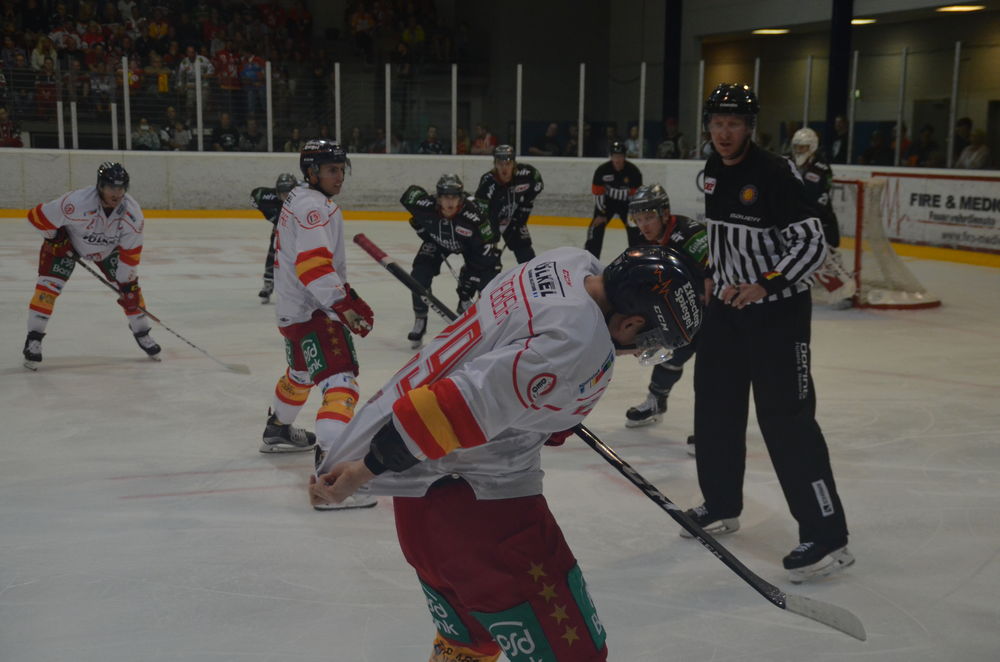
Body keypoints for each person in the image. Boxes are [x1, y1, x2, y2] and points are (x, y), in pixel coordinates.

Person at [309, 244, 704, 662]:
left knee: (469, 642)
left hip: (422, 506)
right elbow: (447, 409)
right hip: (481, 514)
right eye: (646, 341)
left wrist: (553, 407)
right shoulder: (576, 345)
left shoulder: (567, 261)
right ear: (631, 322)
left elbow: (507, 377)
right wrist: (360, 475)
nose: (638, 350)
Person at [690, 83, 853, 584]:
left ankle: (827, 536)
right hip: (727, 311)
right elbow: (721, 236)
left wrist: (766, 284)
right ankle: (721, 504)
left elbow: (813, 244)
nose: (724, 133)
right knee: (714, 407)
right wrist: (711, 273)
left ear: (750, 128)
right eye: (717, 123)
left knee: (787, 422)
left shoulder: (775, 173)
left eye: (734, 124)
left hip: (777, 317)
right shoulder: (713, 169)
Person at [260, 140, 375, 461]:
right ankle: (331, 460)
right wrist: (345, 306)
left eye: (341, 169)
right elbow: (313, 266)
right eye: (331, 170)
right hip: (315, 311)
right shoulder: (314, 208)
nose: (339, 177)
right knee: (341, 382)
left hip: (292, 311)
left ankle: (278, 429)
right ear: (312, 172)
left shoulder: (298, 196)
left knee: (301, 373)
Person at [22, 162, 161, 369]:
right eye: (111, 187)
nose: (117, 193)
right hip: (67, 245)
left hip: (107, 251)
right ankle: (33, 338)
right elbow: (36, 216)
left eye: (121, 188)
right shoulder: (76, 203)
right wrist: (54, 237)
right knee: (48, 288)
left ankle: (142, 332)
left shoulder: (132, 214)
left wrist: (127, 286)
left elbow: (130, 256)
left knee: (132, 291)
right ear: (100, 186)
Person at [623, 185, 707, 457]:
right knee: (671, 356)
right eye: (638, 219)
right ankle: (656, 402)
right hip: (684, 309)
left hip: (717, 312)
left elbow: (717, 274)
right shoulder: (641, 241)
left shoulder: (691, 235)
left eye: (649, 217)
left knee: (712, 372)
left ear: (664, 213)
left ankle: (713, 428)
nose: (644, 225)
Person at [400, 173, 500, 349]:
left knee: (486, 277)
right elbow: (409, 194)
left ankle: (467, 301)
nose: (450, 202)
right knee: (418, 276)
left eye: (454, 197)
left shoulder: (475, 216)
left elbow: (487, 249)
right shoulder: (427, 205)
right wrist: (420, 224)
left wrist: (471, 279)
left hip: (470, 247)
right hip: (436, 242)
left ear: (461, 198)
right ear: (438, 197)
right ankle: (420, 319)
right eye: (446, 196)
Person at [786, 127, 855, 307]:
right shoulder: (786, 162)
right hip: (792, 219)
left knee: (823, 255)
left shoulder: (821, 168)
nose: (799, 151)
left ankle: (844, 291)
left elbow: (819, 198)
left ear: (812, 147)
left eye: (803, 147)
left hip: (819, 219)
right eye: (796, 147)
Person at [474, 144, 544, 264]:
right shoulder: (488, 182)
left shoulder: (527, 174)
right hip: (491, 220)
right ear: (495, 164)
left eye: (508, 163)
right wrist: (490, 234)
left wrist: (524, 208)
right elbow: (481, 211)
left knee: (525, 252)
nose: (504, 168)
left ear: (514, 163)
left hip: (512, 218)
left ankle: (529, 274)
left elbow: (537, 184)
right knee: (487, 258)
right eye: (500, 164)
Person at [584, 140, 643, 259]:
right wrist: (601, 213)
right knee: (596, 228)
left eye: (620, 156)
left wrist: (632, 215)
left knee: (635, 229)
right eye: (615, 156)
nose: (617, 160)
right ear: (611, 157)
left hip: (627, 204)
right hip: (607, 203)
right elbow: (598, 193)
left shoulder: (633, 171)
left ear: (624, 157)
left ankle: (637, 259)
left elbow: (636, 196)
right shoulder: (602, 170)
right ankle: (590, 259)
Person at [251, 172, 298, 303]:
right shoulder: (267, 196)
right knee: (274, 251)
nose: (285, 197)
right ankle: (268, 283)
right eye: (282, 193)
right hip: (281, 228)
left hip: (302, 229)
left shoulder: (305, 195)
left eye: (288, 193)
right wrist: (273, 218)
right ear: (277, 192)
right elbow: (255, 196)